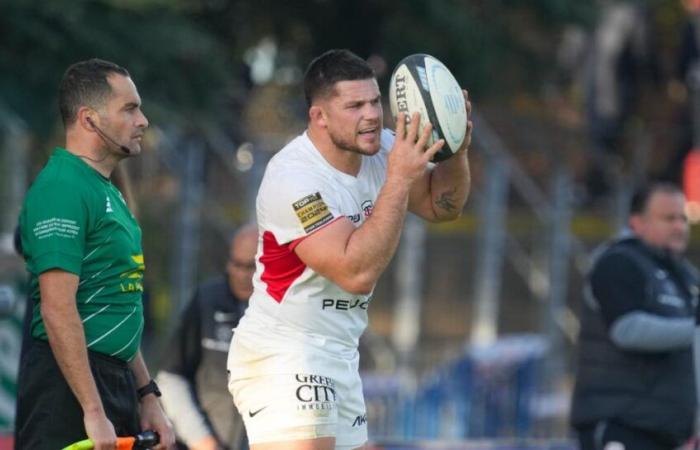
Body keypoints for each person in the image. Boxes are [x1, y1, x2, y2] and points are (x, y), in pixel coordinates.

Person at [227, 49, 473, 450]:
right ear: (319, 116)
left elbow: (443, 205)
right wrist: (397, 179)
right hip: (286, 351)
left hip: (339, 352)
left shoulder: (383, 151)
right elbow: (354, 273)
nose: (373, 115)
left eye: (375, 101)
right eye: (355, 105)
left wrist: (457, 147)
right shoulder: (295, 177)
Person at [14, 58, 175, 450]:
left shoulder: (107, 190)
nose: (143, 121)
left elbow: (115, 304)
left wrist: (147, 394)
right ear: (88, 119)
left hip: (111, 381)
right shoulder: (63, 188)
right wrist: (91, 408)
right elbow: (57, 309)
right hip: (66, 391)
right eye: (130, 108)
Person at [570, 182, 698, 450]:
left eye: (682, 218)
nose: (679, 226)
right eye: (668, 218)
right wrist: (694, 330)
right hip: (622, 426)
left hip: (670, 433)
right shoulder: (619, 262)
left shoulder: (685, 275)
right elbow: (627, 330)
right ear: (637, 222)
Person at [157, 224, 258, 450]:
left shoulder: (287, 310)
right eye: (236, 264)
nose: (242, 274)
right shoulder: (207, 299)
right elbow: (171, 377)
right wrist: (202, 441)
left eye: (251, 267)